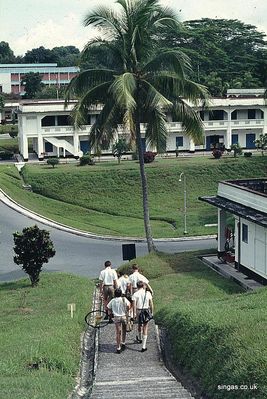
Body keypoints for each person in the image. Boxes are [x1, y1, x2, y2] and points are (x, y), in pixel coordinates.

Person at [107, 288, 131, 353]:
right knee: (124, 330)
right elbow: (129, 305)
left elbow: (108, 308)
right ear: (121, 294)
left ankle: (118, 347)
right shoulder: (124, 299)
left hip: (116, 317)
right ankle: (123, 342)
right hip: (124, 316)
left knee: (118, 332)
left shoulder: (112, 300)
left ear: (115, 294)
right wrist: (126, 310)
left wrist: (110, 313)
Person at [132, 281, 154, 352]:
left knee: (139, 324)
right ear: (143, 286)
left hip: (139, 310)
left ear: (137, 286)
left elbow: (134, 305)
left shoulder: (135, 294)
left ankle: (140, 338)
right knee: (145, 327)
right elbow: (151, 304)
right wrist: (152, 312)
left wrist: (134, 313)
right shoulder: (148, 293)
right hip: (146, 310)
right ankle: (144, 346)